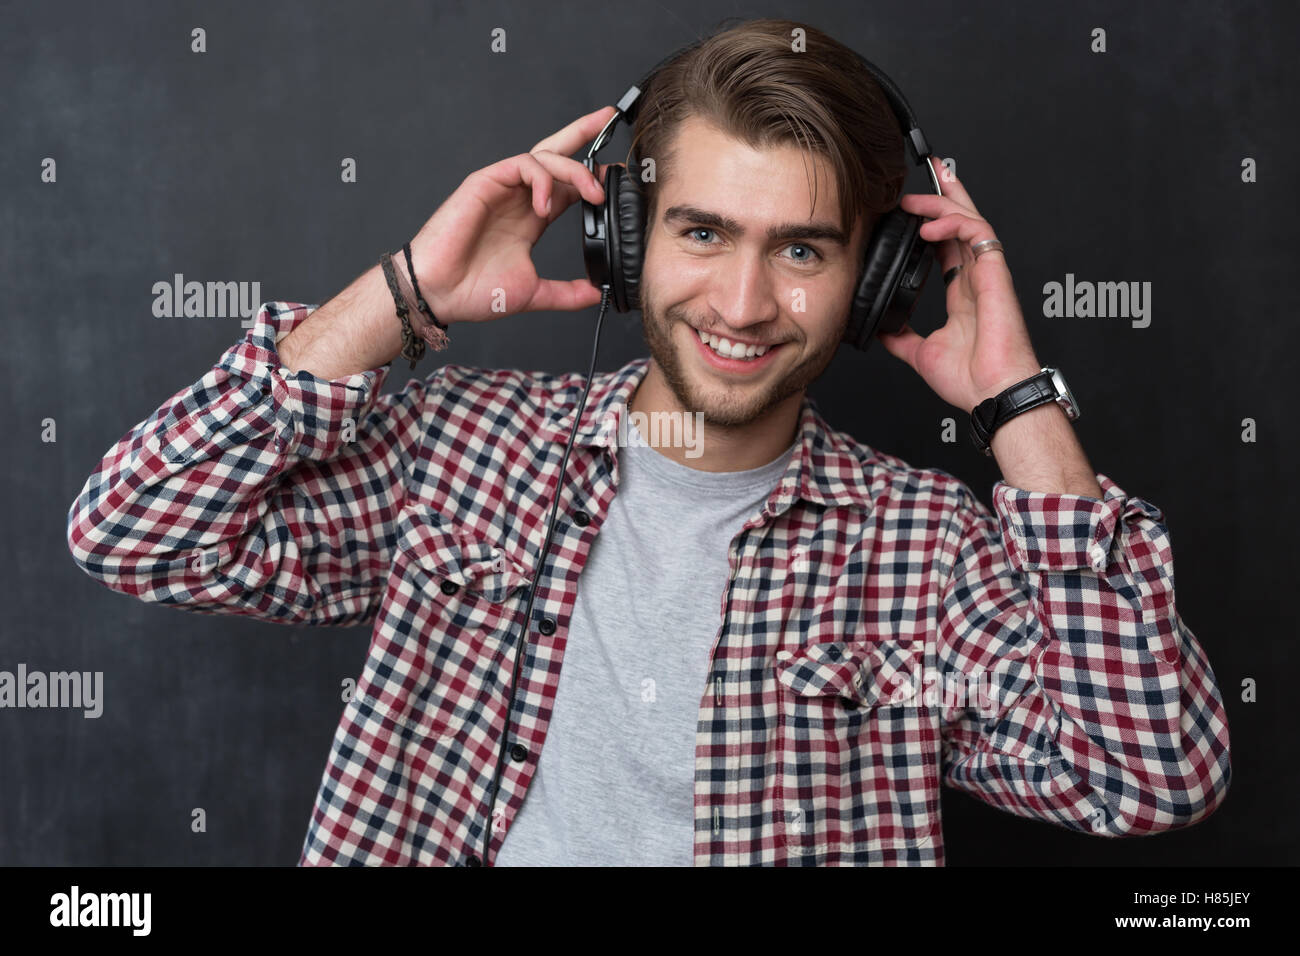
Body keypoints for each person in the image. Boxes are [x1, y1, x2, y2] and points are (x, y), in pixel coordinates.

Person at [66, 17, 1230, 866]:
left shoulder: (924, 548)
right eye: (702, 230)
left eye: (804, 250)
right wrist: (403, 295)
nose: (740, 301)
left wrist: (1015, 405)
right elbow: (134, 534)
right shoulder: (462, 451)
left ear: (880, 275)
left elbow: (1147, 775)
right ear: (621, 238)